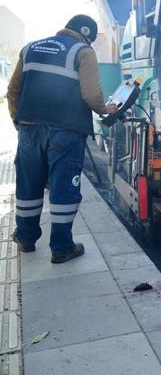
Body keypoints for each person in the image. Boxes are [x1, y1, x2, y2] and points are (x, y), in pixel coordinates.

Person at [6, 14, 117, 263]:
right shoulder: (83, 52)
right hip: (66, 131)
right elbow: (91, 94)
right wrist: (104, 109)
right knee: (63, 186)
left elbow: (13, 91)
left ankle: (25, 238)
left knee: (29, 185)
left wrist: (19, 123)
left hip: (29, 129)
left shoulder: (29, 48)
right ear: (86, 34)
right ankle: (62, 247)